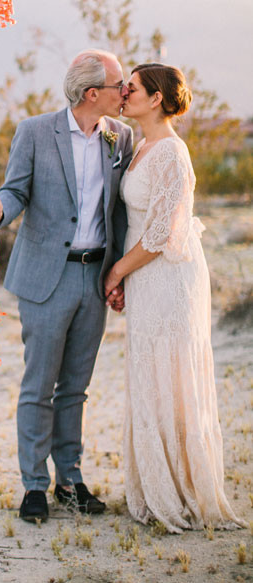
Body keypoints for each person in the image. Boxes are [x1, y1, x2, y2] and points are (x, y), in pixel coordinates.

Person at [0, 49, 133, 523]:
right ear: (92, 93)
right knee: (39, 385)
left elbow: (119, 211)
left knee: (75, 388)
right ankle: (34, 486)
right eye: (119, 85)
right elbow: (15, 190)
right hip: (47, 276)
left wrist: (120, 272)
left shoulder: (121, 136)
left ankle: (70, 479)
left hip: (95, 276)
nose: (125, 91)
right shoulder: (35, 131)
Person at [104, 63, 244, 533]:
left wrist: (116, 272)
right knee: (149, 373)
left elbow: (163, 232)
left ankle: (182, 487)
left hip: (169, 277)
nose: (124, 93)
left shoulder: (172, 153)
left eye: (132, 88)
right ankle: (153, 482)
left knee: (172, 375)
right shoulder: (139, 145)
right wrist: (125, 275)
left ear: (157, 99)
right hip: (144, 275)